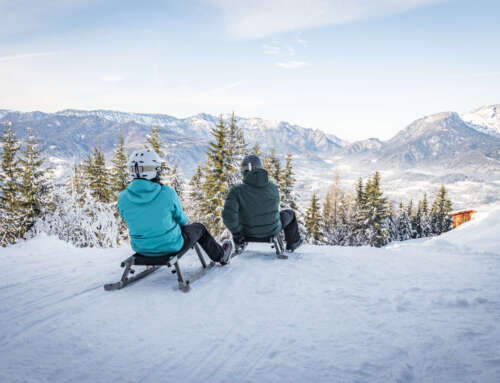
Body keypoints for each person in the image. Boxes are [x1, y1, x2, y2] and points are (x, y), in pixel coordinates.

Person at [117, 149, 232, 264]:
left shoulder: (122, 197)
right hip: (170, 245)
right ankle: (221, 256)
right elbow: (182, 220)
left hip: (140, 247)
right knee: (199, 227)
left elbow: (128, 218)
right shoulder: (167, 192)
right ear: (153, 170)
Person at [222, 154, 303, 252]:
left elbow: (228, 216)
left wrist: (237, 232)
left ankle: (240, 243)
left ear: (244, 171)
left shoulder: (236, 191)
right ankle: (293, 243)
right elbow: (274, 208)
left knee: (239, 215)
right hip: (272, 230)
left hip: (246, 231)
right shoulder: (272, 187)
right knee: (290, 213)